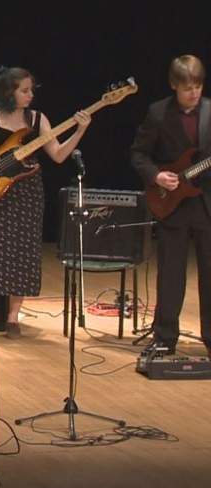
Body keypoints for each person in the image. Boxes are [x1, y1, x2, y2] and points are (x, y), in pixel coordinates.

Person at [0, 66, 91, 339]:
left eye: (31, 90)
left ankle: (12, 318)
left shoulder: (38, 119)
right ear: (9, 92)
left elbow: (57, 155)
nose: (31, 95)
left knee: (24, 252)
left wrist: (79, 131)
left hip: (28, 191)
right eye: (25, 90)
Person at [130, 55, 210, 356]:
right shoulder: (158, 113)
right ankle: (165, 337)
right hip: (171, 203)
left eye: (199, 86)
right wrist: (157, 176)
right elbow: (138, 154)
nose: (194, 93)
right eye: (188, 87)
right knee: (171, 273)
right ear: (173, 85)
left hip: (205, 203)